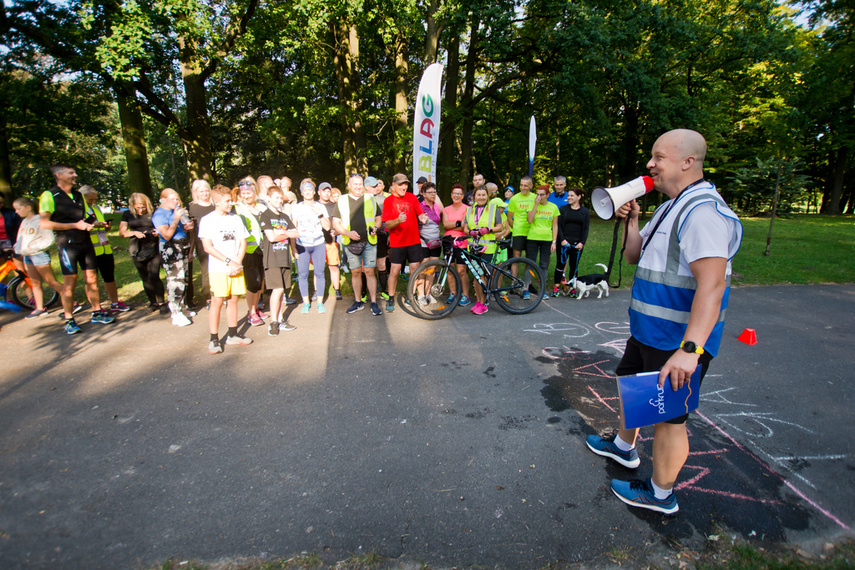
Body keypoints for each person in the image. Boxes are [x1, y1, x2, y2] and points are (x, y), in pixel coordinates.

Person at [585, 129, 742, 514]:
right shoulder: (673, 205)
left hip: (677, 341)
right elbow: (636, 257)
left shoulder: (703, 212)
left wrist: (690, 351)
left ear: (688, 162)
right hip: (650, 333)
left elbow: (712, 286)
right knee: (632, 388)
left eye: (659, 157)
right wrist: (633, 222)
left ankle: (661, 494)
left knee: (669, 420)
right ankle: (624, 449)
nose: (650, 164)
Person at [39, 164, 115, 334]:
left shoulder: (78, 195)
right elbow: (44, 223)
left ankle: (97, 312)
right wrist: (74, 225)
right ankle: (69, 319)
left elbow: (83, 218)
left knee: (92, 278)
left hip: (86, 243)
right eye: (71, 173)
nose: (75, 175)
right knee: (70, 283)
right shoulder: (49, 195)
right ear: (59, 175)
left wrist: (93, 223)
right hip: (68, 245)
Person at [198, 184, 253, 354]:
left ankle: (232, 334)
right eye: (227, 201)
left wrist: (237, 261)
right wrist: (229, 261)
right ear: (217, 202)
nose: (231, 204)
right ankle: (214, 339)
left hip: (235, 267)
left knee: (233, 300)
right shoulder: (207, 220)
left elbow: (243, 241)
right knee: (217, 301)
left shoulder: (235, 219)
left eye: (231, 200)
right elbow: (207, 247)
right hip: (218, 269)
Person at [331, 174, 383, 316]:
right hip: (350, 242)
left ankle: (373, 302)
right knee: (355, 272)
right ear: (349, 185)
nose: (358, 187)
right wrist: (347, 233)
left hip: (369, 242)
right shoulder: (341, 200)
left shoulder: (370, 198)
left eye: (360, 184)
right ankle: (358, 301)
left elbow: (378, 218)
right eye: (355, 184)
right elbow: (336, 222)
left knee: (370, 272)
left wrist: (376, 228)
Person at [381, 173, 427, 312]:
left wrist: (423, 217)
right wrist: (398, 221)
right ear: (393, 185)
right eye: (401, 184)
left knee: (415, 270)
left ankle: (411, 296)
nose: (404, 187)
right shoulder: (388, 201)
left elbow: (420, 213)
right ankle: (390, 297)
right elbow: (387, 225)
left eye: (406, 184)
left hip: (413, 241)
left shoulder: (412, 197)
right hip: (397, 243)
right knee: (394, 271)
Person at [79, 185, 129, 312]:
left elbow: (100, 228)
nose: (93, 202)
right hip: (89, 250)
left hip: (104, 247)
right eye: (90, 199)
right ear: (82, 197)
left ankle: (115, 303)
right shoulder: (78, 210)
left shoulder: (96, 208)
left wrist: (105, 226)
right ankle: (96, 308)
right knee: (90, 280)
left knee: (109, 276)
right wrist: (92, 225)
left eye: (95, 199)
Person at [258, 185, 299, 335]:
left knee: (282, 291)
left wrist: (285, 235)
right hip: (272, 259)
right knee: (278, 289)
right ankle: (273, 323)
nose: (279, 200)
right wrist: (287, 233)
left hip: (284, 258)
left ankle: (280, 320)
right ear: (268, 198)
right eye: (275, 197)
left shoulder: (284, 216)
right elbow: (272, 237)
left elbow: (296, 233)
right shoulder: (266, 215)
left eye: (280, 197)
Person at [12, 197, 61, 318]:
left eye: (19, 209)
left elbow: (48, 239)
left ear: (28, 208)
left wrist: (33, 247)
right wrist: (17, 248)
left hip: (39, 255)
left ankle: (72, 302)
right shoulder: (24, 222)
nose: (16, 212)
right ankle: (40, 308)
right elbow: (20, 239)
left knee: (50, 281)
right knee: (34, 282)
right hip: (28, 256)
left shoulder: (40, 220)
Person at [153, 188, 195, 326]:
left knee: (184, 278)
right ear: (163, 199)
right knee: (175, 280)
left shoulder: (174, 211)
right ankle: (175, 312)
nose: (176, 202)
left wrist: (187, 226)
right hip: (170, 248)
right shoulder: (159, 214)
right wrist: (176, 218)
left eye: (177, 199)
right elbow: (166, 235)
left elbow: (180, 229)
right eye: (173, 199)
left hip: (182, 245)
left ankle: (182, 307)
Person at [462, 186, 504, 315]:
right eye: (478, 195)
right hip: (473, 248)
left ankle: (484, 303)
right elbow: (464, 228)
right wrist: (470, 232)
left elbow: (500, 227)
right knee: (476, 276)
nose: (481, 197)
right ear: (474, 196)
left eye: (483, 195)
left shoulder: (493, 209)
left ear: (487, 196)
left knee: (480, 275)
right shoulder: (469, 210)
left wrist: (488, 229)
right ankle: (479, 302)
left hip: (487, 248)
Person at [290, 178, 330, 314]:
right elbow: (293, 229)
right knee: (303, 274)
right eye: (305, 190)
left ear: (314, 192)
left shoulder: (321, 207)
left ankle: (319, 303)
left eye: (310, 190)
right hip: (302, 245)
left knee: (319, 273)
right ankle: (306, 303)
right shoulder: (296, 208)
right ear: (301, 192)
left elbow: (327, 226)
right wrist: (293, 247)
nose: (307, 192)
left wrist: (319, 214)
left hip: (318, 243)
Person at [120, 193, 165, 312]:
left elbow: (161, 227)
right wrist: (134, 233)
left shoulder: (153, 213)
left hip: (153, 246)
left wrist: (157, 232)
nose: (140, 210)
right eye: (138, 207)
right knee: (145, 277)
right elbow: (122, 232)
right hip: (137, 248)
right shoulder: (127, 214)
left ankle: (162, 302)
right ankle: (152, 302)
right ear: (133, 206)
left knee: (154, 275)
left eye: (143, 207)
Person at [233, 176, 267, 326]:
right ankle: (251, 312)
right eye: (244, 194)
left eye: (249, 193)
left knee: (261, 283)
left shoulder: (261, 207)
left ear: (255, 193)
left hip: (264, 249)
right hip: (248, 251)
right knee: (253, 283)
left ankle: (257, 309)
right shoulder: (237, 209)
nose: (246, 196)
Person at [554, 187, 590, 297]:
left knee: (574, 267)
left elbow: (585, 229)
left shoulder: (584, 211)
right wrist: (563, 240)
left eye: (571, 196)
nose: (569, 197)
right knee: (560, 265)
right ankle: (556, 288)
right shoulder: (563, 209)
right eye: (568, 195)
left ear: (578, 197)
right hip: (564, 243)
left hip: (577, 244)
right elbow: (559, 226)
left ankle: (572, 288)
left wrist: (582, 243)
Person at [525, 185, 559, 299]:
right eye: (537, 194)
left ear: (548, 195)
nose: (539, 197)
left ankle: (542, 290)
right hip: (533, 238)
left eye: (542, 194)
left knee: (543, 265)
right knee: (530, 263)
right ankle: (526, 289)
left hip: (546, 239)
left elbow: (555, 225)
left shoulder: (553, 207)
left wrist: (554, 241)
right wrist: (535, 205)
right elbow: (529, 220)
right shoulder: (532, 204)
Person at [441, 184, 471, 307]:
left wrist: (454, 224)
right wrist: (458, 223)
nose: (456, 196)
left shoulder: (468, 209)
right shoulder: (446, 209)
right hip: (448, 241)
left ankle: (465, 295)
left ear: (462, 196)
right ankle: (453, 294)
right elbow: (445, 225)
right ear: (451, 195)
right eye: (454, 193)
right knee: (450, 269)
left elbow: (465, 227)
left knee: (461, 270)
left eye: (459, 193)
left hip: (462, 241)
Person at [188, 179, 216, 308]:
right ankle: (209, 297)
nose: (205, 193)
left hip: (219, 241)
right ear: (196, 193)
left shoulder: (215, 205)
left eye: (206, 191)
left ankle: (221, 293)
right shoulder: (192, 207)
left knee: (220, 268)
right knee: (206, 270)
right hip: (202, 243)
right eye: (201, 191)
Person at [363, 176, 389, 300]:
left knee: (382, 264)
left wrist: (386, 233)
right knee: (366, 267)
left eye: (377, 185)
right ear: (366, 187)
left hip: (381, 235)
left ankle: (383, 290)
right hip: (364, 237)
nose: (377, 187)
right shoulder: (360, 200)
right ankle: (364, 293)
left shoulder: (383, 199)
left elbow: (386, 218)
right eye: (374, 186)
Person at [317, 182, 342, 301]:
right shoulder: (314, 205)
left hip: (331, 241)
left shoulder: (335, 206)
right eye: (324, 191)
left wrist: (337, 231)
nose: (326, 193)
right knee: (318, 268)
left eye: (328, 191)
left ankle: (337, 289)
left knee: (333, 266)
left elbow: (341, 223)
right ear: (319, 192)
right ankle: (317, 292)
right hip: (317, 241)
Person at [506, 176, 536, 266]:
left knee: (529, 259)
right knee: (516, 258)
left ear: (531, 186)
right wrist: (516, 227)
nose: (523, 188)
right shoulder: (514, 199)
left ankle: (528, 280)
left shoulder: (535, 198)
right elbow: (509, 217)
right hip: (518, 231)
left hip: (531, 231)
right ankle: (514, 280)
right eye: (521, 185)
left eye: (525, 186)